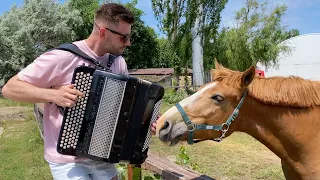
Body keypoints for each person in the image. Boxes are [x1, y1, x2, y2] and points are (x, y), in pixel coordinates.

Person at [2, 3, 158, 180]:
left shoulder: (118, 63)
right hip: (68, 160)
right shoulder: (62, 57)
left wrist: (147, 120)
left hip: (104, 155)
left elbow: (125, 108)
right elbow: (10, 88)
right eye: (124, 38)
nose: (129, 43)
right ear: (103, 32)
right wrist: (53, 95)